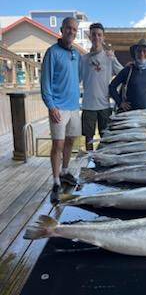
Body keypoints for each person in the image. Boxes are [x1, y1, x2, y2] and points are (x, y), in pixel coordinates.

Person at [40, 17, 81, 203]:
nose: (71, 32)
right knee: (57, 145)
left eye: (74, 29)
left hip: (74, 107)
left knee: (71, 141)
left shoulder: (76, 54)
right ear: (62, 29)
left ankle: (65, 171)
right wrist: (51, 106)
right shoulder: (52, 52)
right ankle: (56, 181)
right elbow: (45, 83)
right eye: (68, 28)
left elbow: (77, 78)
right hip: (58, 108)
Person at [81, 23, 123, 151]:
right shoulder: (83, 59)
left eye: (99, 35)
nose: (96, 37)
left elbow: (124, 74)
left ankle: (103, 163)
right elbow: (75, 78)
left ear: (103, 38)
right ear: (90, 37)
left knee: (106, 137)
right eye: (93, 34)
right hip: (88, 105)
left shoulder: (109, 57)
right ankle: (89, 162)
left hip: (105, 104)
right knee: (88, 137)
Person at [109, 39, 146, 111]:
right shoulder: (128, 70)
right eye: (139, 51)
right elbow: (112, 86)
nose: (142, 53)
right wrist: (120, 102)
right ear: (135, 53)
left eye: (145, 51)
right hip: (129, 114)